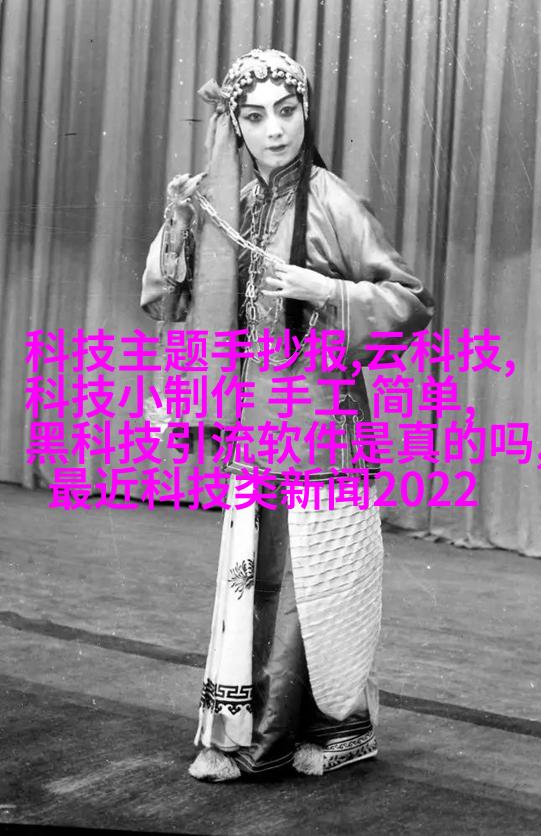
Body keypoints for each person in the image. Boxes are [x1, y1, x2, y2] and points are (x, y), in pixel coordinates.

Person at [141, 48, 434, 781]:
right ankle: (253, 732)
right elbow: (179, 300)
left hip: (325, 426)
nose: (274, 129)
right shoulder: (233, 202)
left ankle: (310, 735)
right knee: (257, 580)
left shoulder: (331, 199)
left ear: (306, 112)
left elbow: (409, 302)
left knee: (316, 586)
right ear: (236, 125)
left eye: (287, 110)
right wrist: (181, 224)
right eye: (254, 116)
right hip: (259, 422)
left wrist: (323, 289)